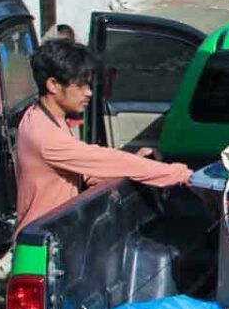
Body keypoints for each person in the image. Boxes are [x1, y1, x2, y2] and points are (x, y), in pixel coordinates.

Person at [15, 39, 192, 236]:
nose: (89, 93)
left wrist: (135, 164)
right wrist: (181, 175)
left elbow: (86, 171)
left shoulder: (45, 117)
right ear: (53, 85)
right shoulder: (45, 137)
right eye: (81, 85)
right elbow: (99, 158)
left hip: (54, 232)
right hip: (40, 244)